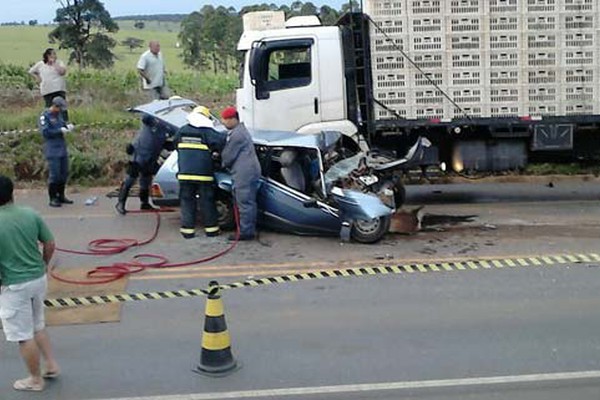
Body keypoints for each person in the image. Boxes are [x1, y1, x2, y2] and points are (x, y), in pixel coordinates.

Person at [0, 175, 60, 392]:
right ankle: (51, 365)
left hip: (14, 286)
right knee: (37, 324)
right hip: (38, 279)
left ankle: (35, 379)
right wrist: (44, 264)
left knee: (23, 336)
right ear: (12, 192)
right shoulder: (30, 213)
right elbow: (50, 243)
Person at [173, 107, 226, 239]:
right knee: (206, 201)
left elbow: (175, 146)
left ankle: (188, 231)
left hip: (185, 174)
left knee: (187, 201)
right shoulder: (207, 132)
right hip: (203, 175)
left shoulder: (181, 131)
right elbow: (221, 142)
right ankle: (211, 230)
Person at [220, 106, 261, 241]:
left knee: (244, 202)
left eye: (225, 120)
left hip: (244, 173)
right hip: (249, 171)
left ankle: (246, 232)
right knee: (248, 202)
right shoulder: (241, 131)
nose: (223, 122)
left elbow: (228, 156)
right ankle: (248, 228)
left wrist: (220, 162)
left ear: (233, 119)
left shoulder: (237, 135)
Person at [115, 114, 169, 215]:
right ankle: (120, 203)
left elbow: (170, 138)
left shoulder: (167, 126)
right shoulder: (151, 120)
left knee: (146, 179)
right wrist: (154, 119)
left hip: (152, 156)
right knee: (131, 178)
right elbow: (145, 118)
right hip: (139, 154)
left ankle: (144, 203)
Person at [39, 97, 74, 208]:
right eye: (59, 108)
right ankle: (53, 198)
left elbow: (62, 125)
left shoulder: (58, 115)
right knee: (55, 175)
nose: (60, 111)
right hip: (52, 148)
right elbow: (45, 132)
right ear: (54, 106)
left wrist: (67, 127)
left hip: (62, 147)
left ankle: (61, 195)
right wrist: (59, 131)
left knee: (64, 173)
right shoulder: (45, 116)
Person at [28, 48, 69, 122]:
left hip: (59, 88)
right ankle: (51, 122)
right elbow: (31, 71)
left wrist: (54, 64)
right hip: (47, 90)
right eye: (52, 54)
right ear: (47, 55)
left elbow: (62, 72)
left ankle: (64, 122)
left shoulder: (59, 62)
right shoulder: (40, 64)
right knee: (49, 107)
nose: (54, 56)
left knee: (61, 106)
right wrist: (38, 78)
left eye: (54, 54)